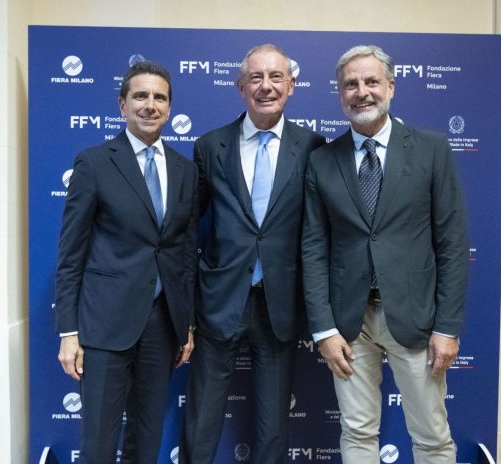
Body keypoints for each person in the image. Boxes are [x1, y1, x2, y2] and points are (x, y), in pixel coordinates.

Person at [302, 44, 469, 463]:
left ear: (391, 87)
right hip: (349, 324)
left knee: (431, 436)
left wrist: (447, 327)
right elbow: (314, 249)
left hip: (415, 318)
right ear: (340, 94)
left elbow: (451, 244)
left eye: (371, 82)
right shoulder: (322, 161)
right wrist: (323, 330)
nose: (362, 92)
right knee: (357, 432)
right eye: (351, 85)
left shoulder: (432, 150)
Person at [180, 44, 326, 463]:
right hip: (219, 299)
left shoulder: (313, 146)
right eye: (256, 78)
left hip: (281, 303)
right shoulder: (210, 146)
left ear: (291, 85)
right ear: (240, 86)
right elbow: (187, 227)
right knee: (202, 416)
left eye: (276, 77)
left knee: (273, 424)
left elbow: (320, 230)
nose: (266, 86)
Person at [54, 61, 199, 464]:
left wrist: (186, 324)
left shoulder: (185, 171)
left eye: (160, 98)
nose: (150, 105)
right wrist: (68, 331)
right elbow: (70, 253)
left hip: (162, 326)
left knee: (147, 439)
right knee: (99, 444)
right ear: (122, 105)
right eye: (141, 96)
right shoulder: (95, 163)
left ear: (169, 108)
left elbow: (185, 254)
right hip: (104, 325)